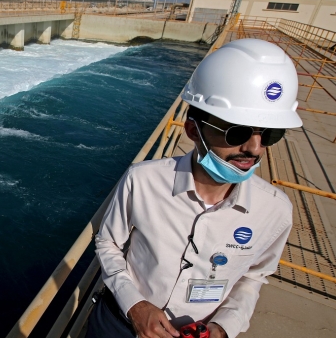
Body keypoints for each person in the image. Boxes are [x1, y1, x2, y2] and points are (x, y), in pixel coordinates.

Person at [87, 38, 303, 338]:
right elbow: (108, 243)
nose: (254, 148)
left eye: (269, 134)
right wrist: (135, 305)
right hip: (119, 326)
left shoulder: (275, 211)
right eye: (236, 132)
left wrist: (224, 326)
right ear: (193, 130)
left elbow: (254, 276)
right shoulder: (143, 181)